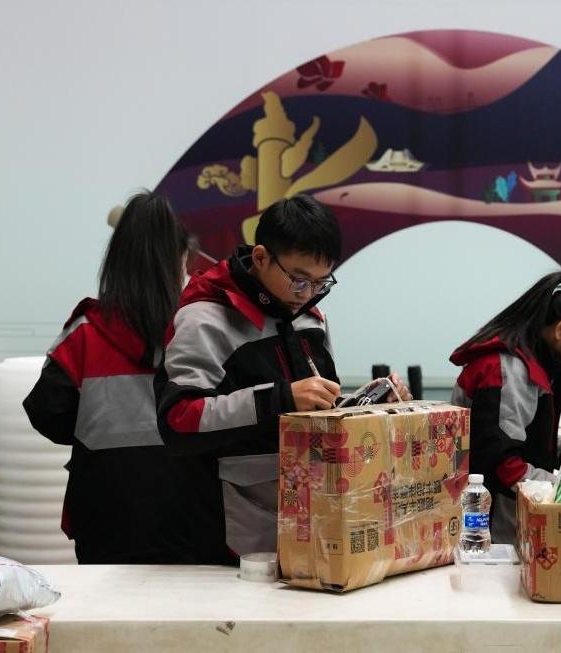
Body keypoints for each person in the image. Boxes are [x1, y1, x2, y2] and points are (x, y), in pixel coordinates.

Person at [154, 193, 410, 564]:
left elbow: (318, 408)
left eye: (321, 282)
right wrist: (280, 400)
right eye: (299, 280)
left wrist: (369, 404)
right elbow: (179, 421)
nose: (308, 294)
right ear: (261, 257)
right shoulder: (205, 320)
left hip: (314, 517)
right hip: (232, 533)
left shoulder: (310, 318)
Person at [23, 191, 194, 563]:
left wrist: (99, 432)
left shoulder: (85, 333)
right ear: (179, 260)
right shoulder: (200, 330)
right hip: (193, 515)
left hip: (105, 513)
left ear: (117, 259)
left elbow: (47, 412)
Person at [449, 271, 561, 543]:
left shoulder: (534, 364)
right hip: (487, 527)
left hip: (506, 515)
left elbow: (529, 440)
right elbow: (503, 464)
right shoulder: (506, 370)